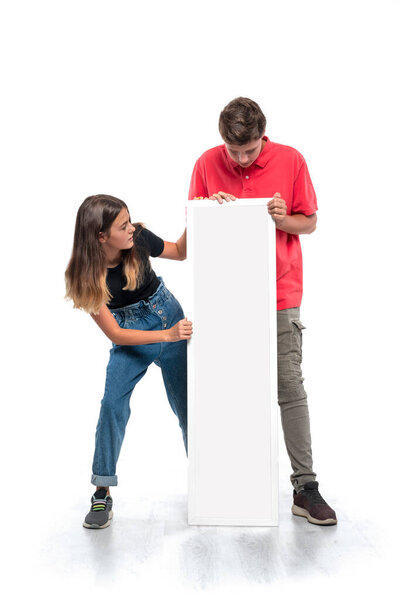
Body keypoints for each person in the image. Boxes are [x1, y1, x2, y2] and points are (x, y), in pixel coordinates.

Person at [188, 97, 337, 526]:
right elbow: (194, 229)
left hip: (278, 295)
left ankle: (305, 487)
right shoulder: (205, 162)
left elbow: (308, 222)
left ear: (261, 136)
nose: (240, 158)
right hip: (223, 295)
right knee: (224, 391)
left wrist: (281, 217)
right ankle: (225, 486)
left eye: (249, 150)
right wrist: (210, 209)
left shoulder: (291, 160)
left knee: (290, 387)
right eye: (232, 150)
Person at [65, 194, 192, 529]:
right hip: (134, 335)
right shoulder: (85, 276)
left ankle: (207, 482)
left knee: (190, 409)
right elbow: (118, 335)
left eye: (129, 220)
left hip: (168, 313)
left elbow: (180, 251)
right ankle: (101, 492)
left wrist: (198, 215)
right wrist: (168, 336)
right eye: (123, 226)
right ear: (101, 237)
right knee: (111, 405)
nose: (131, 228)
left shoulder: (138, 239)